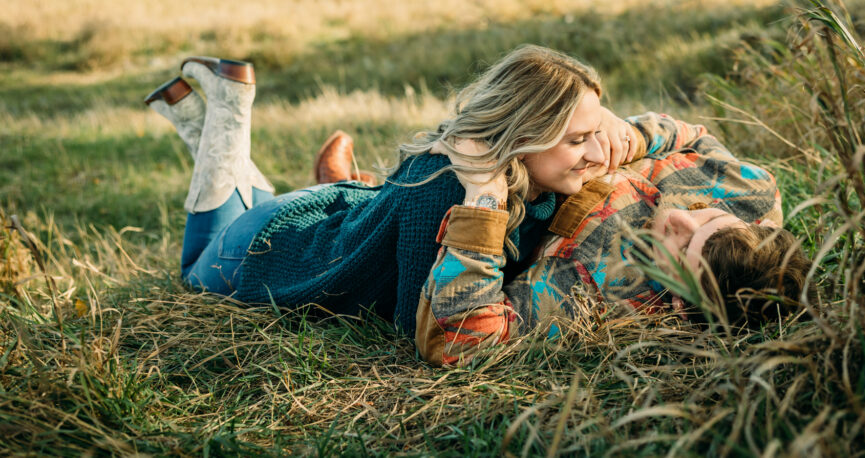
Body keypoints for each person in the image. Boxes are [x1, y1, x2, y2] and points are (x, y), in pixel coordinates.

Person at [145, 46, 810, 368]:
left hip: (294, 243)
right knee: (215, 250)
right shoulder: (749, 193)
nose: (680, 217)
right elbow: (692, 138)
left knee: (222, 240)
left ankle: (221, 121)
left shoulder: (609, 288)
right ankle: (230, 114)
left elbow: (446, 336)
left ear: (686, 296)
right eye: (707, 217)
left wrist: (487, 205)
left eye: (682, 246)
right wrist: (632, 134)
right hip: (288, 245)